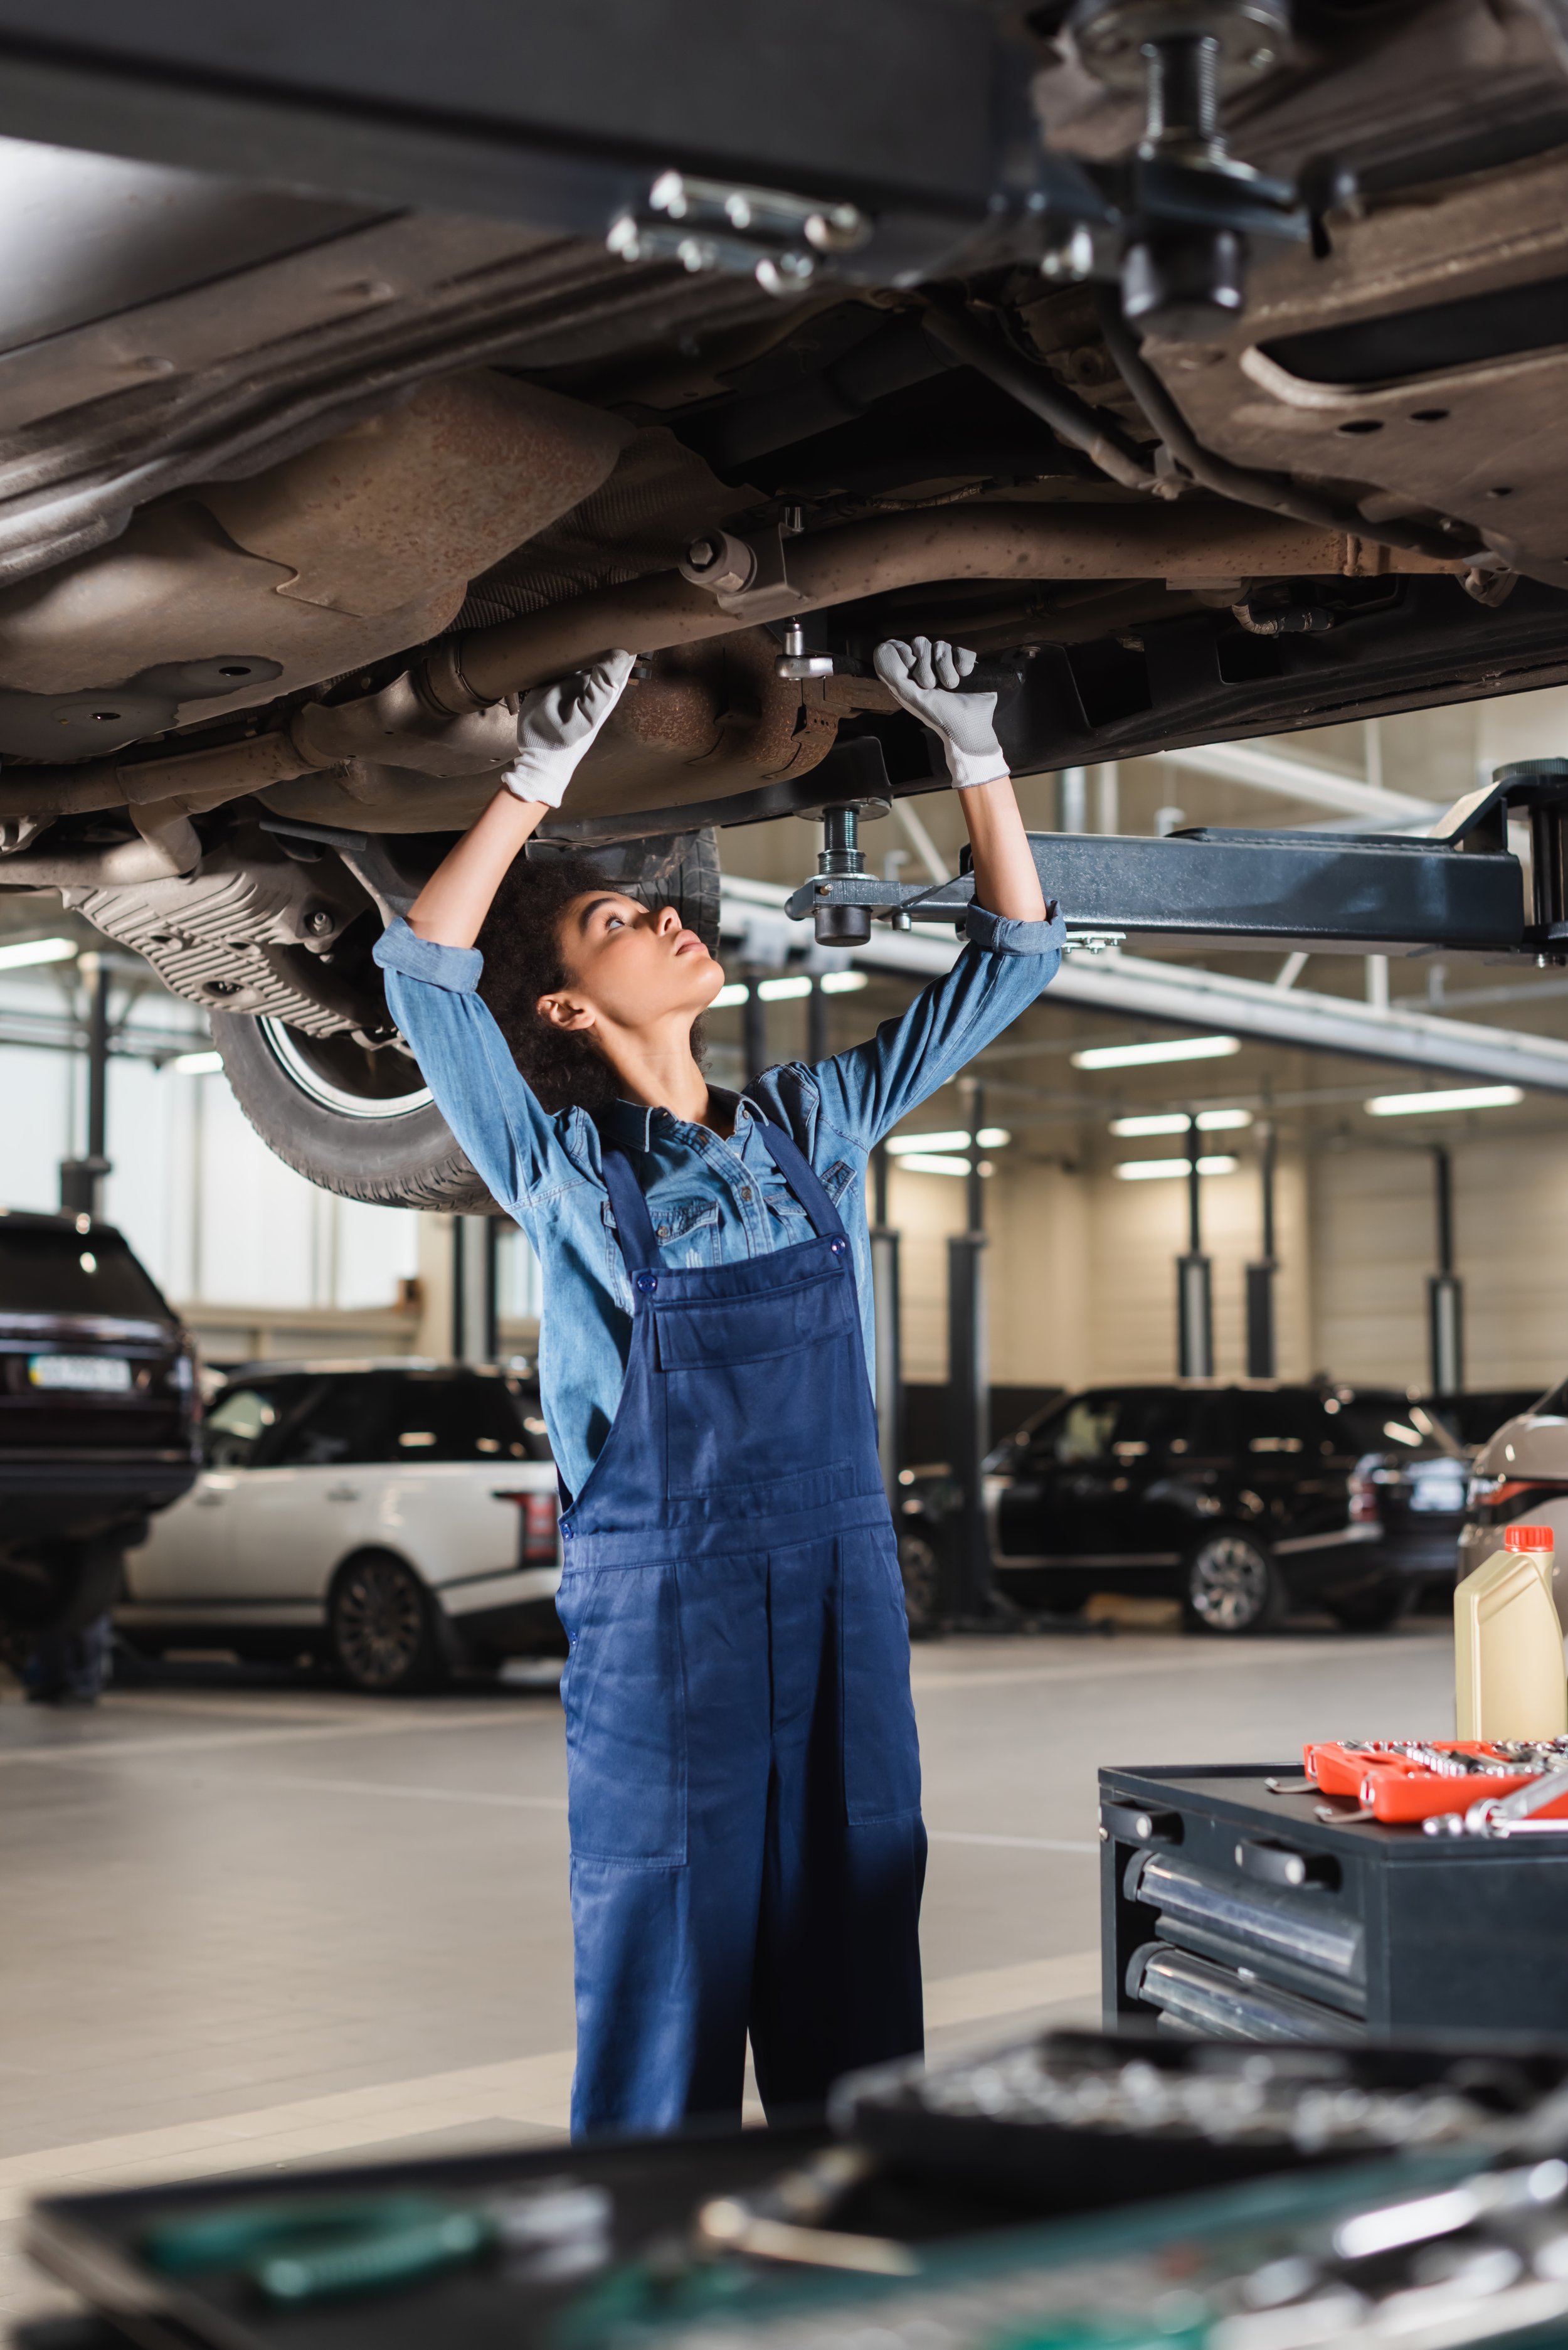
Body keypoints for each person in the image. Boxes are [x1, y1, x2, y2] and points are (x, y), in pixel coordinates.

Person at [373, 635, 1063, 2139]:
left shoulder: (807, 1127)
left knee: (859, 1938)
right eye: (622, 919)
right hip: (662, 1613)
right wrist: (532, 784)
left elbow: (1011, 957)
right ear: (564, 1009)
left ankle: (843, 2254)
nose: (669, 920)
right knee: (664, 1962)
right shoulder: (558, 1173)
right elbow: (420, 971)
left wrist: (975, 753)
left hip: (834, 1588)